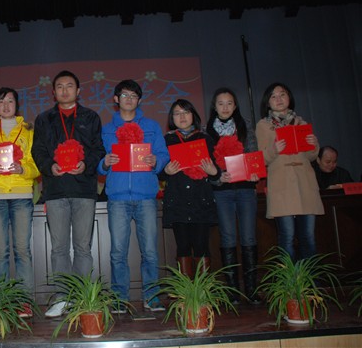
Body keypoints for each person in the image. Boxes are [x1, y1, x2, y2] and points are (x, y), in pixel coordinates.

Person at [31, 70, 105, 318]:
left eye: (69, 86)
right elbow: (37, 150)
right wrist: (48, 167)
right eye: (60, 87)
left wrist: (86, 164)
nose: (65, 90)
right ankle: (63, 297)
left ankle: (82, 297)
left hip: (84, 190)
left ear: (78, 90)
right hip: (55, 191)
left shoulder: (91, 117)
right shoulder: (44, 119)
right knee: (59, 248)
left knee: (83, 247)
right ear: (53, 92)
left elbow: (98, 149)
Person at [98, 80, 170, 313]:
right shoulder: (106, 129)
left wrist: (156, 161)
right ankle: (119, 298)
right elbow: (97, 162)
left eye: (133, 96)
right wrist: (105, 162)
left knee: (150, 250)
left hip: (146, 196)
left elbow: (163, 155)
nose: (129, 99)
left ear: (139, 100)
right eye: (124, 95)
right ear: (116, 99)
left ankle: (152, 297)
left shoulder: (151, 126)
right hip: (117, 197)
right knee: (118, 252)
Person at [0, 87, 40, 318]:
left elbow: (36, 163)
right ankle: (1, 301)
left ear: (17, 105)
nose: (6, 105)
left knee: (22, 250)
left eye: (10, 101)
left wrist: (23, 169)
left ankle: (24, 301)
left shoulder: (28, 130)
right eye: (1, 101)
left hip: (21, 194)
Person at [256, 83, 323, 260]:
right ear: (267, 102)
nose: (278, 99)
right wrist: (274, 150)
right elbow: (261, 159)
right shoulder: (263, 125)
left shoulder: (301, 123)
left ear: (289, 98)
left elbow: (311, 156)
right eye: (273, 96)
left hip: (305, 184)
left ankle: (309, 277)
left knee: (308, 237)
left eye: (282, 94)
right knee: (286, 237)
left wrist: (313, 145)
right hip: (282, 186)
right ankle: (290, 277)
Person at [206, 88, 260, 304]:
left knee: (249, 237)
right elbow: (206, 165)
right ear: (215, 106)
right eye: (221, 103)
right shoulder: (207, 130)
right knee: (227, 237)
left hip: (246, 189)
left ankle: (252, 290)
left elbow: (253, 154)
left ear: (235, 105)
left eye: (229, 103)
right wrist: (218, 177)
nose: (225, 107)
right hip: (222, 192)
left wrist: (255, 172)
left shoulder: (245, 126)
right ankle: (232, 291)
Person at [161, 99, 220, 279]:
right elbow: (158, 172)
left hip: (200, 201)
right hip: (177, 201)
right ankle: (186, 291)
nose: (182, 117)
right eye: (177, 113)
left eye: (186, 112)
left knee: (202, 246)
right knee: (183, 246)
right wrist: (165, 171)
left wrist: (213, 171)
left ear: (193, 115)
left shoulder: (205, 138)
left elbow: (217, 170)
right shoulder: (167, 140)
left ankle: (203, 290)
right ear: (172, 118)